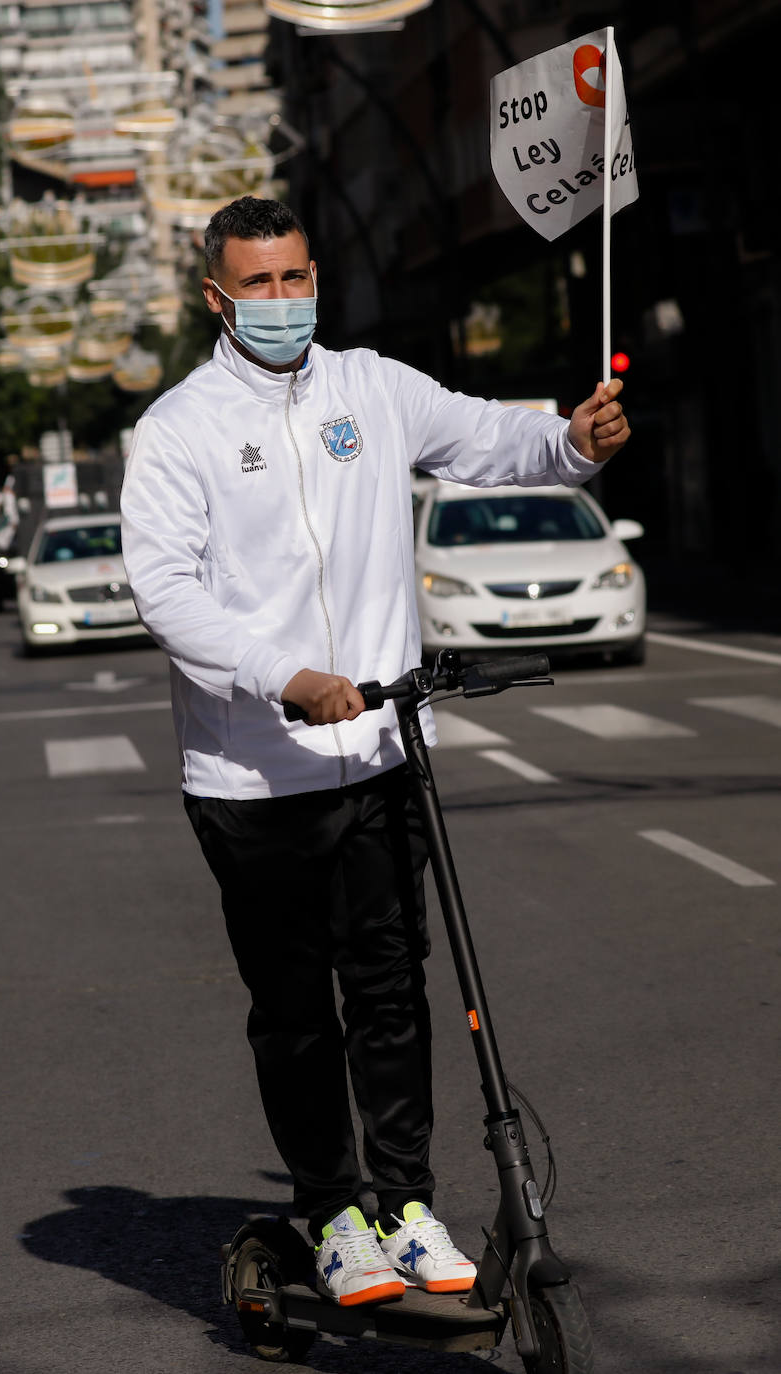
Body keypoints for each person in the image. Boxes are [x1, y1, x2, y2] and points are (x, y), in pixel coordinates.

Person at [120, 196, 630, 1309]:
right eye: (257, 284)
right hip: (253, 775)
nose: (282, 301)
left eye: (296, 278)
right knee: (297, 1009)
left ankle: (406, 1204)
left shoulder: (372, 389)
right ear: (217, 297)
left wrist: (568, 441)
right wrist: (281, 676)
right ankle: (334, 1213)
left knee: (395, 992)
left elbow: (495, 439)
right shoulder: (180, 427)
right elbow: (164, 589)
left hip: (381, 756)